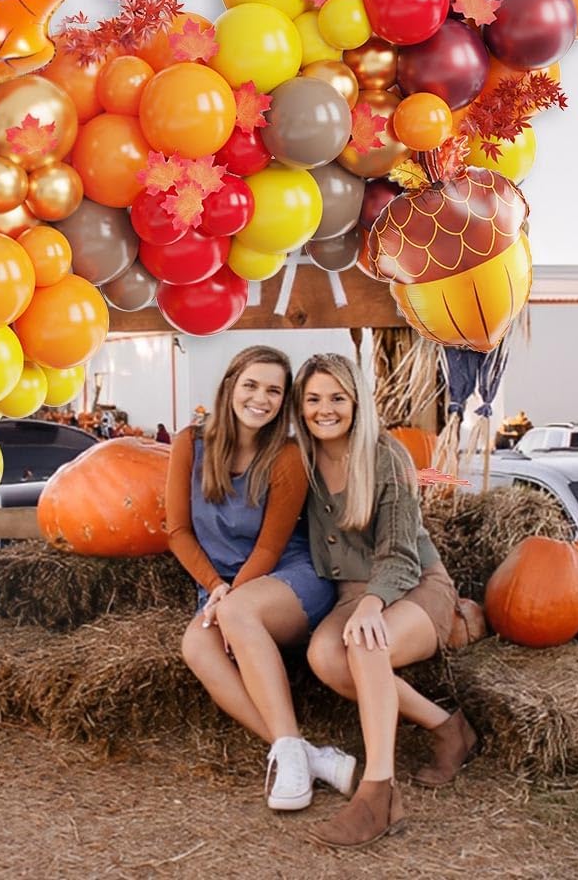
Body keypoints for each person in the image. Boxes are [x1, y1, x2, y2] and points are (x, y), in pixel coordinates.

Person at [290, 353, 478, 849]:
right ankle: (449, 726)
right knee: (324, 656)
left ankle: (379, 794)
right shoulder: (300, 460)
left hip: (413, 584)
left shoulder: (384, 454)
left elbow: (398, 552)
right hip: (354, 593)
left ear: (356, 402)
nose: (324, 409)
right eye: (313, 399)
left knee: (366, 645)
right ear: (299, 405)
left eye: (337, 398)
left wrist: (374, 604)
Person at [165, 345, 351, 812]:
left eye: (274, 390)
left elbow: (269, 548)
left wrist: (230, 598)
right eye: (251, 385)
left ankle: (290, 762)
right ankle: (299, 751)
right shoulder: (191, 443)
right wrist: (215, 589)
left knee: (237, 612)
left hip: (285, 576)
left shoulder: (286, 456)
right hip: (220, 585)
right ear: (230, 386)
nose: (260, 399)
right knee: (196, 646)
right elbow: (178, 532)